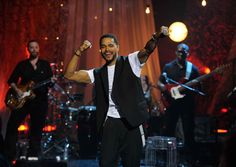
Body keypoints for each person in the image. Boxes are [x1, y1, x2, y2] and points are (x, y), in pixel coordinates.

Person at [64, 26, 168, 167]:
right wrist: (79, 51)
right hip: (110, 125)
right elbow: (69, 75)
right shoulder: (98, 73)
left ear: (117, 47)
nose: (107, 49)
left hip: (131, 123)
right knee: (106, 163)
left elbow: (147, 50)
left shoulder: (130, 62)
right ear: (100, 50)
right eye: (103, 47)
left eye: (111, 45)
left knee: (131, 163)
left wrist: (156, 37)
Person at [3, 40, 53, 162]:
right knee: (12, 126)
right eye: (31, 47)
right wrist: (17, 90)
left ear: (39, 49)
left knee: (36, 130)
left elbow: (50, 83)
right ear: (28, 49)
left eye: (36, 47)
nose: (34, 49)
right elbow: (11, 80)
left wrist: (52, 81)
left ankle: (32, 157)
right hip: (22, 101)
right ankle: (9, 156)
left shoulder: (45, 65)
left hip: (39, 101)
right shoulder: (22, 65)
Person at [157, 43, 200, 162]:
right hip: (172, 104)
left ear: (188, 53)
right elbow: (159, 83)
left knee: (189, 131)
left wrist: (191, 91)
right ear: (176, 53)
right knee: (169, 129)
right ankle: (166, 159)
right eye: (180, 51)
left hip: (187, 105)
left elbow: (199, 88)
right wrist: (166, 89)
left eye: (184, 52)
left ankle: (191, 160)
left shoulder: (193, 69)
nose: (182, 54)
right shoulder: (168, 67)